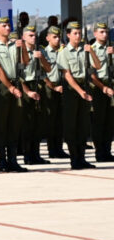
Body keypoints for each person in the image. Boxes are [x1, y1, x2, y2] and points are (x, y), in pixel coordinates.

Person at [0, 17, 28, 172]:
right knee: (1, 124)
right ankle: (2, 160)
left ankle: (13, 159)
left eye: (9, 25)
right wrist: (10, 87)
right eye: (4, 25)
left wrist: (22, 47)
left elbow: (26, 62)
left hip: (16, 83)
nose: (8, 28)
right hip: (2, 86)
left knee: (14, 124)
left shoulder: (14, 44)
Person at [56, 21, 99, 169]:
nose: (78, 36)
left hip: (84, 86)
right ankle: (74, 159)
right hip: (72, 90)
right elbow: (67, 75)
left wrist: (91, 51)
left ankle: (82, 158)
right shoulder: (64, 52)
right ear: (68, 35)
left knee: (83, 125)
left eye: (80, 33)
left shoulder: (85, 50)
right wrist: (81, 92)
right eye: (75, 33)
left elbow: (97, 66)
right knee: (71, 126)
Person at [19, 25, 49, 165]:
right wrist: (27, 91)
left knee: (38, 123)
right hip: (26, 86)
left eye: (35, 35)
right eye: (30, 35)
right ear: (24, 37)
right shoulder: (19, 51)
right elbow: (19, 76)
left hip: (39, 85)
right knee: (27, 123)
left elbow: (48, 68)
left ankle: (36, 154)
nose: (34, 37)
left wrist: (41, 58)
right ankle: (27, 155)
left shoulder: (40, 50)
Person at [40, 26, 68, 159]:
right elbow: (42, 74)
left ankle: (59, 148)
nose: (57, 40)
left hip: (63, 86)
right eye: (55, 37)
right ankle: (52, 149)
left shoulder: (63, 51)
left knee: (60, 120)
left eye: (59, 37)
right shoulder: (44, 53)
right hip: (50, 87)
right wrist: (52, 86)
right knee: (51, 120)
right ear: (48, 38)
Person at [88, 22, 114, 162]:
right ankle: (99, 152)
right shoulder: (92, 50)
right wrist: (103, 87)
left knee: (109, 121)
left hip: (111, 85)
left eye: (106, 32)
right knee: (99, 121)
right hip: (98, 87)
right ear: (95, 33)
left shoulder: (111, 48)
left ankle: (107, 150)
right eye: (102, 32)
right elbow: (92, 75)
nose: (105, 34)